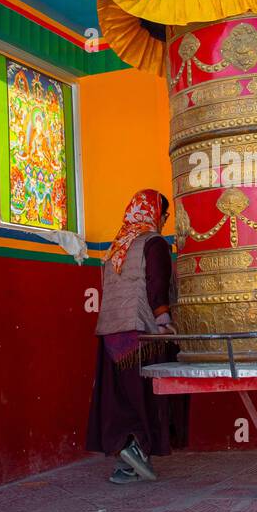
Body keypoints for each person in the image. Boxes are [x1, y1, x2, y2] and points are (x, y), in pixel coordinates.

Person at [86, 189, 183, 483]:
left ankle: (125, 461)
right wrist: (164, 322)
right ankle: (138, 449)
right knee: (146, 397)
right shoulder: (153, 244)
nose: (164, 221)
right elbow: (157, 284)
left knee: (120, 397)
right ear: (154, 214)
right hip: (142, 334)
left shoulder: (117, 247)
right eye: (164, 215)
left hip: (111, 335)